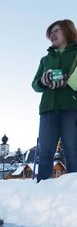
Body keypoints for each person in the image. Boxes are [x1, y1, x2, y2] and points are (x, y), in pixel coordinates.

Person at [32, 19, 77, 181]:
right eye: (50, 32)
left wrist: (69, 80)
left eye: (56, 30)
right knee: (45, 154)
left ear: (68, 32)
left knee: (72, 151)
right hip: (47, 111)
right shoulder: (45, 60)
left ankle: (74, 192)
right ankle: (41, 192)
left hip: (71, 109)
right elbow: (34, 85)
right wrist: (43, 81)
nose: (52, 34)